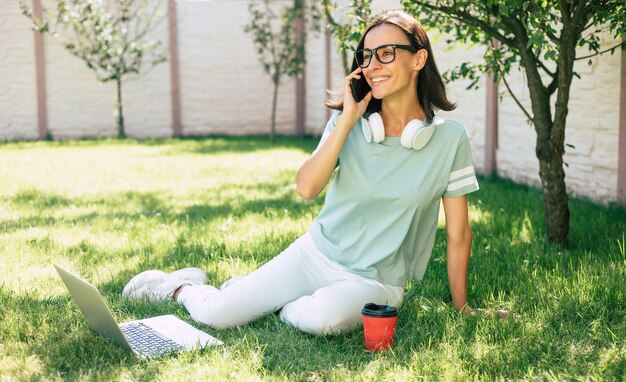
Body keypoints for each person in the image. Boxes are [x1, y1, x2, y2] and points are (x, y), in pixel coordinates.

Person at [122, 10, 481, 335]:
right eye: (366, 56)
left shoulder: (450, 140)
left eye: (386, 53)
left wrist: (461, 305)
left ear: (419, 58)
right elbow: (307, 188)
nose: (373, 65)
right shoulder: (351, 124)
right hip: (316, 254)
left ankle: (272, 300)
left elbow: (459, 232)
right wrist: (347, 121)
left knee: (325, 320)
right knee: (218, 314)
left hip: (376, 282)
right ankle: (181, 286)